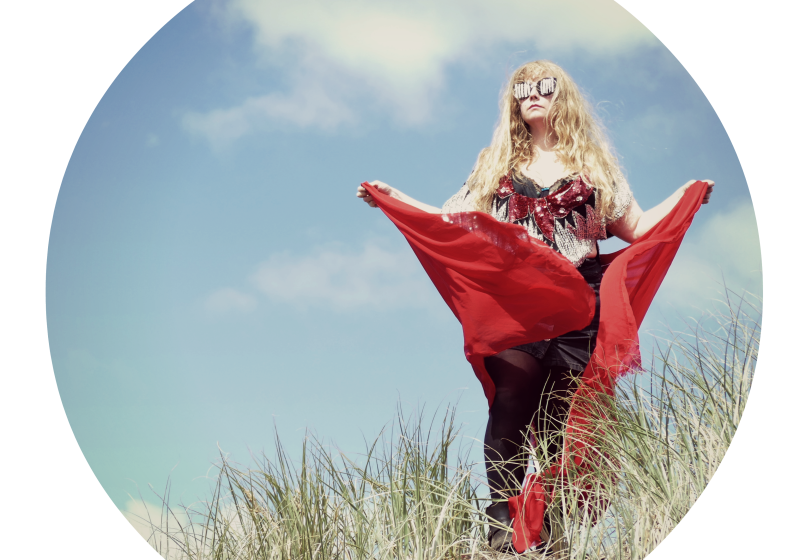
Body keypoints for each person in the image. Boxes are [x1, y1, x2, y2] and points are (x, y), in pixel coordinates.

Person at [356, 60, 713, 553]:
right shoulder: (495, 166)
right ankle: (500, 520)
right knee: (513, 391)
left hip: (579, 303)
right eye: (522, 88)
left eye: (544, 86)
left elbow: (641, 228)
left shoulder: (596, 171)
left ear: (561, 95)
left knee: (557, 421)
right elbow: (450, 218)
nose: (532, 94)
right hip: (515, 301)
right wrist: (396, 199)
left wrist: (687, 194)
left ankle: (551, 531)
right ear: (513, 103)